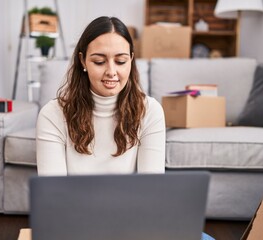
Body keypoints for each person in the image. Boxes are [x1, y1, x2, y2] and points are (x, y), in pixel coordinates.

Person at [36, 16, 166, 176]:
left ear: (131, 60)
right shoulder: (53, 114)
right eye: (99, 61)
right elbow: (52, 193)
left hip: (131, 202)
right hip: (71, 202)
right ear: (83, 61)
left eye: (120, 61)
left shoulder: (150, 111)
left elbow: (151, 189)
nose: (111, 72)